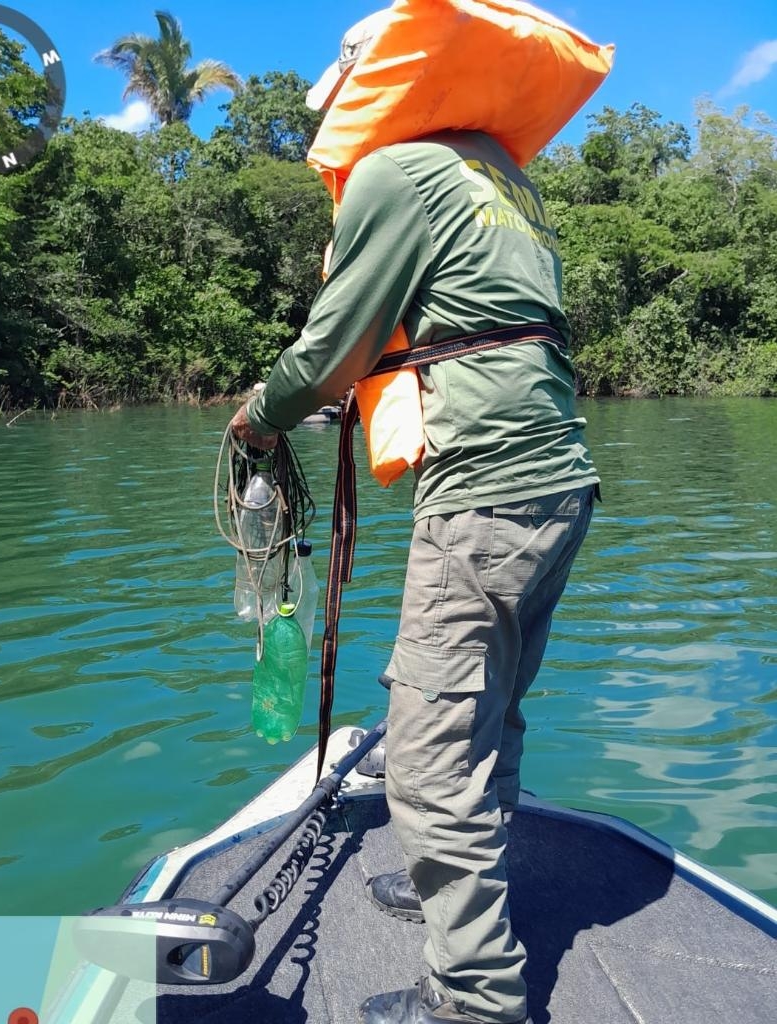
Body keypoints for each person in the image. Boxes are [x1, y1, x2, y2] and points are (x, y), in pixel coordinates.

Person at [231, 11, 599, 1024]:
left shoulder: (395, 173)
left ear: (370, 84)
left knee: (431, 757)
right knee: (489, 715)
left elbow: (332, 344)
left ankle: (475, 997)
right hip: (556, 484)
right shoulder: (499, 177)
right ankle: (461, 901)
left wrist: (258, 420)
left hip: (484, 490)